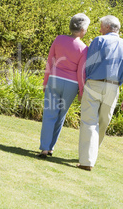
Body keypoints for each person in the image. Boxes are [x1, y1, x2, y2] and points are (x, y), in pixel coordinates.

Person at [77, 15, 123, 171]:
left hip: (95, 83)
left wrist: (85, 82)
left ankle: (87, 160)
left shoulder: (99, 40)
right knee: (103, 122)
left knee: (89, 121)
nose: (100, 29)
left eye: (101, 26)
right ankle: (90, 155)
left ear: (108, 27)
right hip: (113, 87)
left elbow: (89, 63)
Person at [38, 13, 90, 158]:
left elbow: (49, 61)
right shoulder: (84, 48)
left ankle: (44, 148)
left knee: (49, 114)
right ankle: (51, 148)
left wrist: (45, 81)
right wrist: (81, 91)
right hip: (71, 84)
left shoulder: (59, 39)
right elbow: (81, 72)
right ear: (82, 30)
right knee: (60, 116)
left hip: (54, 79)